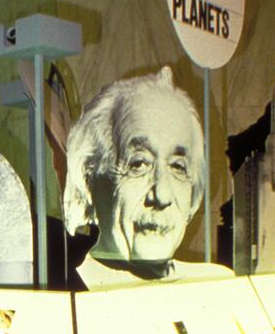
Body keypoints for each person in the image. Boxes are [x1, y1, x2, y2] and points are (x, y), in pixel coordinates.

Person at [63, 67, 233, 288]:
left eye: (178, 167)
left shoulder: (216, 282)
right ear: (89, 180)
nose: (162, 195)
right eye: (139, 164)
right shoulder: (71, 292)